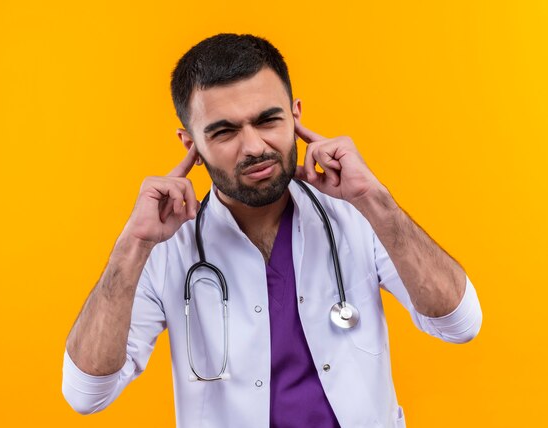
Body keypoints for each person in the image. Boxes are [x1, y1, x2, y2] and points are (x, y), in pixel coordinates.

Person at [61, 33, 482, 428]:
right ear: (191, 145)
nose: (254, 148)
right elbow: (86, 394)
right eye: (224, 131)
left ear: (295, 115)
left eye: (268, 120)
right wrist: (131, 246)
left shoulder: (355, 214)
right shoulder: (166, 248)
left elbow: (459, 324)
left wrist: (376, 201)